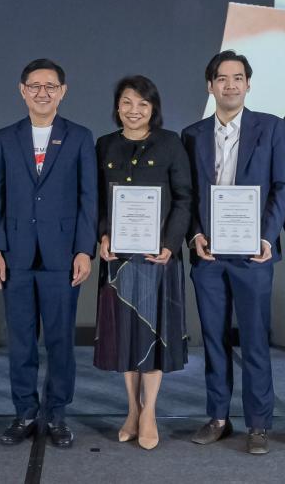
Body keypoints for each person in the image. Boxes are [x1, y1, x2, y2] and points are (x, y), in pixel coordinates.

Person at [182, 50, 285, 455]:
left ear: (248, 84)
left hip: (253, 254)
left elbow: (282, 186)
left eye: (238, 78)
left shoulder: (272, 127)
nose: (230, 85)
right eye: (222, 78)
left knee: (255, 340)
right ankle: (218, 417)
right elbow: (187, 193)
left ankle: (258, 423)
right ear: (210, 86)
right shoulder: (192, 134)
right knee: (213, 339)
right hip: (209, 255)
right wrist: (195, 234)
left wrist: (266, 236)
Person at [0, 58, 97, 449]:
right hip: (15, 256)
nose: (42, 93)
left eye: (50, 86)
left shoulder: (79, 137)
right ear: (22, 91)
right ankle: (25, 413)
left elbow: (88, 198)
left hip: (62, 256)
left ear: (62, 92)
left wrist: (84, 250)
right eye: (34, 86)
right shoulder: (5, 137)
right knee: (20, 342)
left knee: (60, 342)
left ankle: (57, 414)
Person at [94, 75, 193, 451]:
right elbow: (98, 200)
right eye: (127, 102)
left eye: (143, 104)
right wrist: (103, 235)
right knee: (124, 337)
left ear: (154, 108)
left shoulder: (170, 143)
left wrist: (170, 244)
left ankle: (149, 411)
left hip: (157, 257)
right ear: (117, 106)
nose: (134, 110)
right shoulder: (105, 144)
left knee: (154, 337)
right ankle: (131, 410)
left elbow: (184, 198)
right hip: (118, 259)